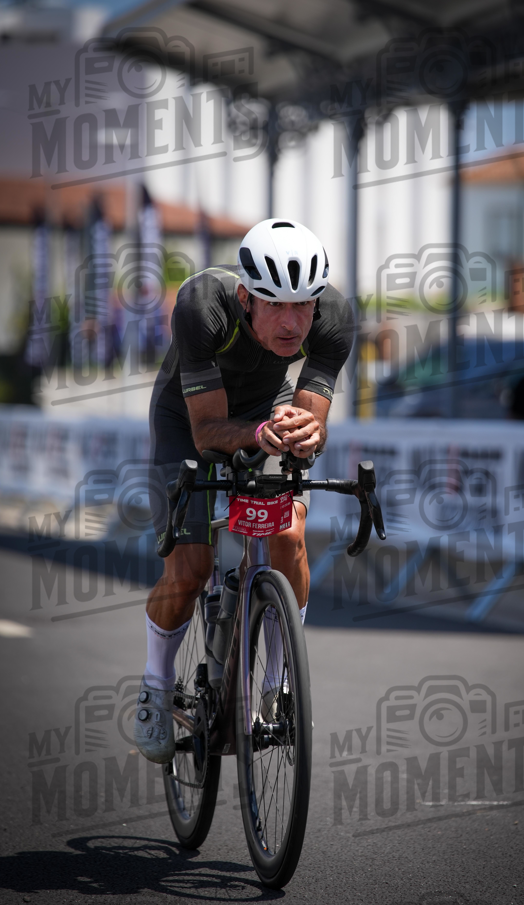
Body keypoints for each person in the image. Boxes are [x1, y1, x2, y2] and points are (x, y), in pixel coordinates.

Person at [134, 218, 354, 762]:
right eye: (275, 305)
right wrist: (257, 434)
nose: (292, 322)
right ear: (245, 297)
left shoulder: (335, 318)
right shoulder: (202, 304)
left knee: (292, 532)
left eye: (304, 305)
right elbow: (208, 432)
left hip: (262, 409)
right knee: (189, 571)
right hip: (187, 419)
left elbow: (310, 426)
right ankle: (156, 688)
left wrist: (309, 432)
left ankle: (277, 685)